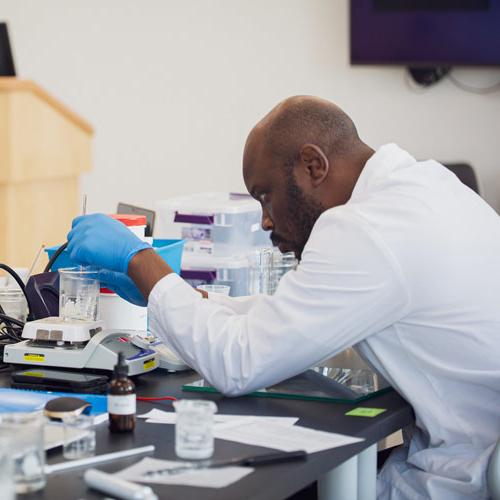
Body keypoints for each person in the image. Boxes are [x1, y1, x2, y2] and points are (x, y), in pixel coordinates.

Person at [67, 96, 500, 499]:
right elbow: (292, 313)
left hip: (462, 477)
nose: (267, 219)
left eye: (265, 195)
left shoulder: (364, 228)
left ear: (313, 165)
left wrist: (143, 262)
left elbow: (239, 363)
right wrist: (176, 295)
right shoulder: (423, 185)